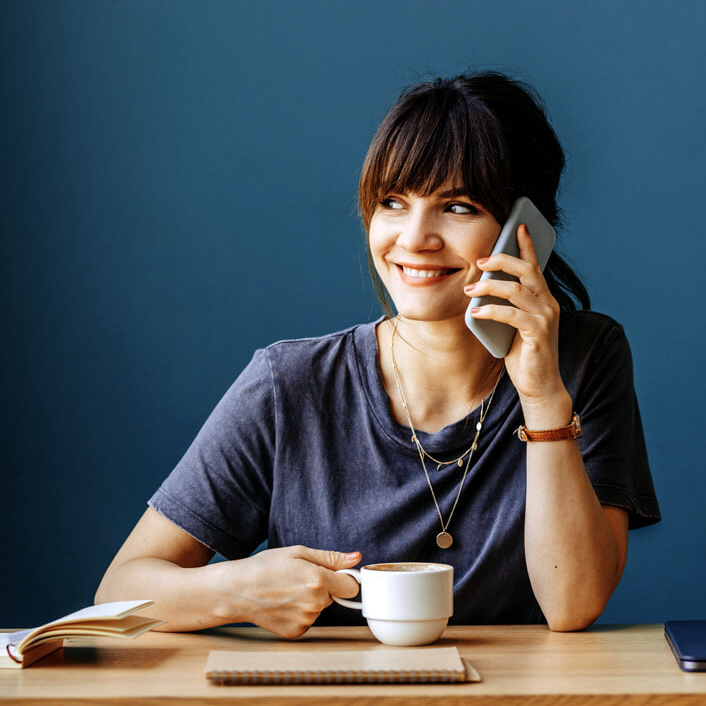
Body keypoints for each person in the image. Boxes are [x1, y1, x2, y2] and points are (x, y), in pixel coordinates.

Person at [95, 70, 660, 636]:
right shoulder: (290, 382)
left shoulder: (584, 359)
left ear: (525, 229)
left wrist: (541, 398)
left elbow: (573, 604)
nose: (414, 239)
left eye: (457, 206)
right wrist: (239, 589)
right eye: (393, 202)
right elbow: (120, 591)